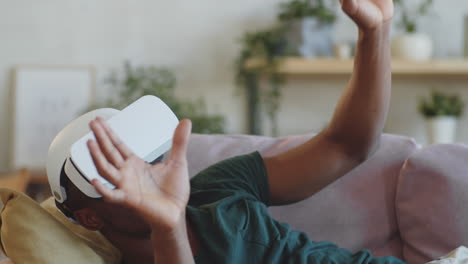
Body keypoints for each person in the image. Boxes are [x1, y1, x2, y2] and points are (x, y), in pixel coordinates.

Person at [37, 0, 399, 263]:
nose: (146, 173)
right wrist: (168, 225)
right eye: (120, 173)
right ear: (90, 218)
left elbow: (347, 146)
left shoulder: (219, 187)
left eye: (146, 156)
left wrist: (375, 33)